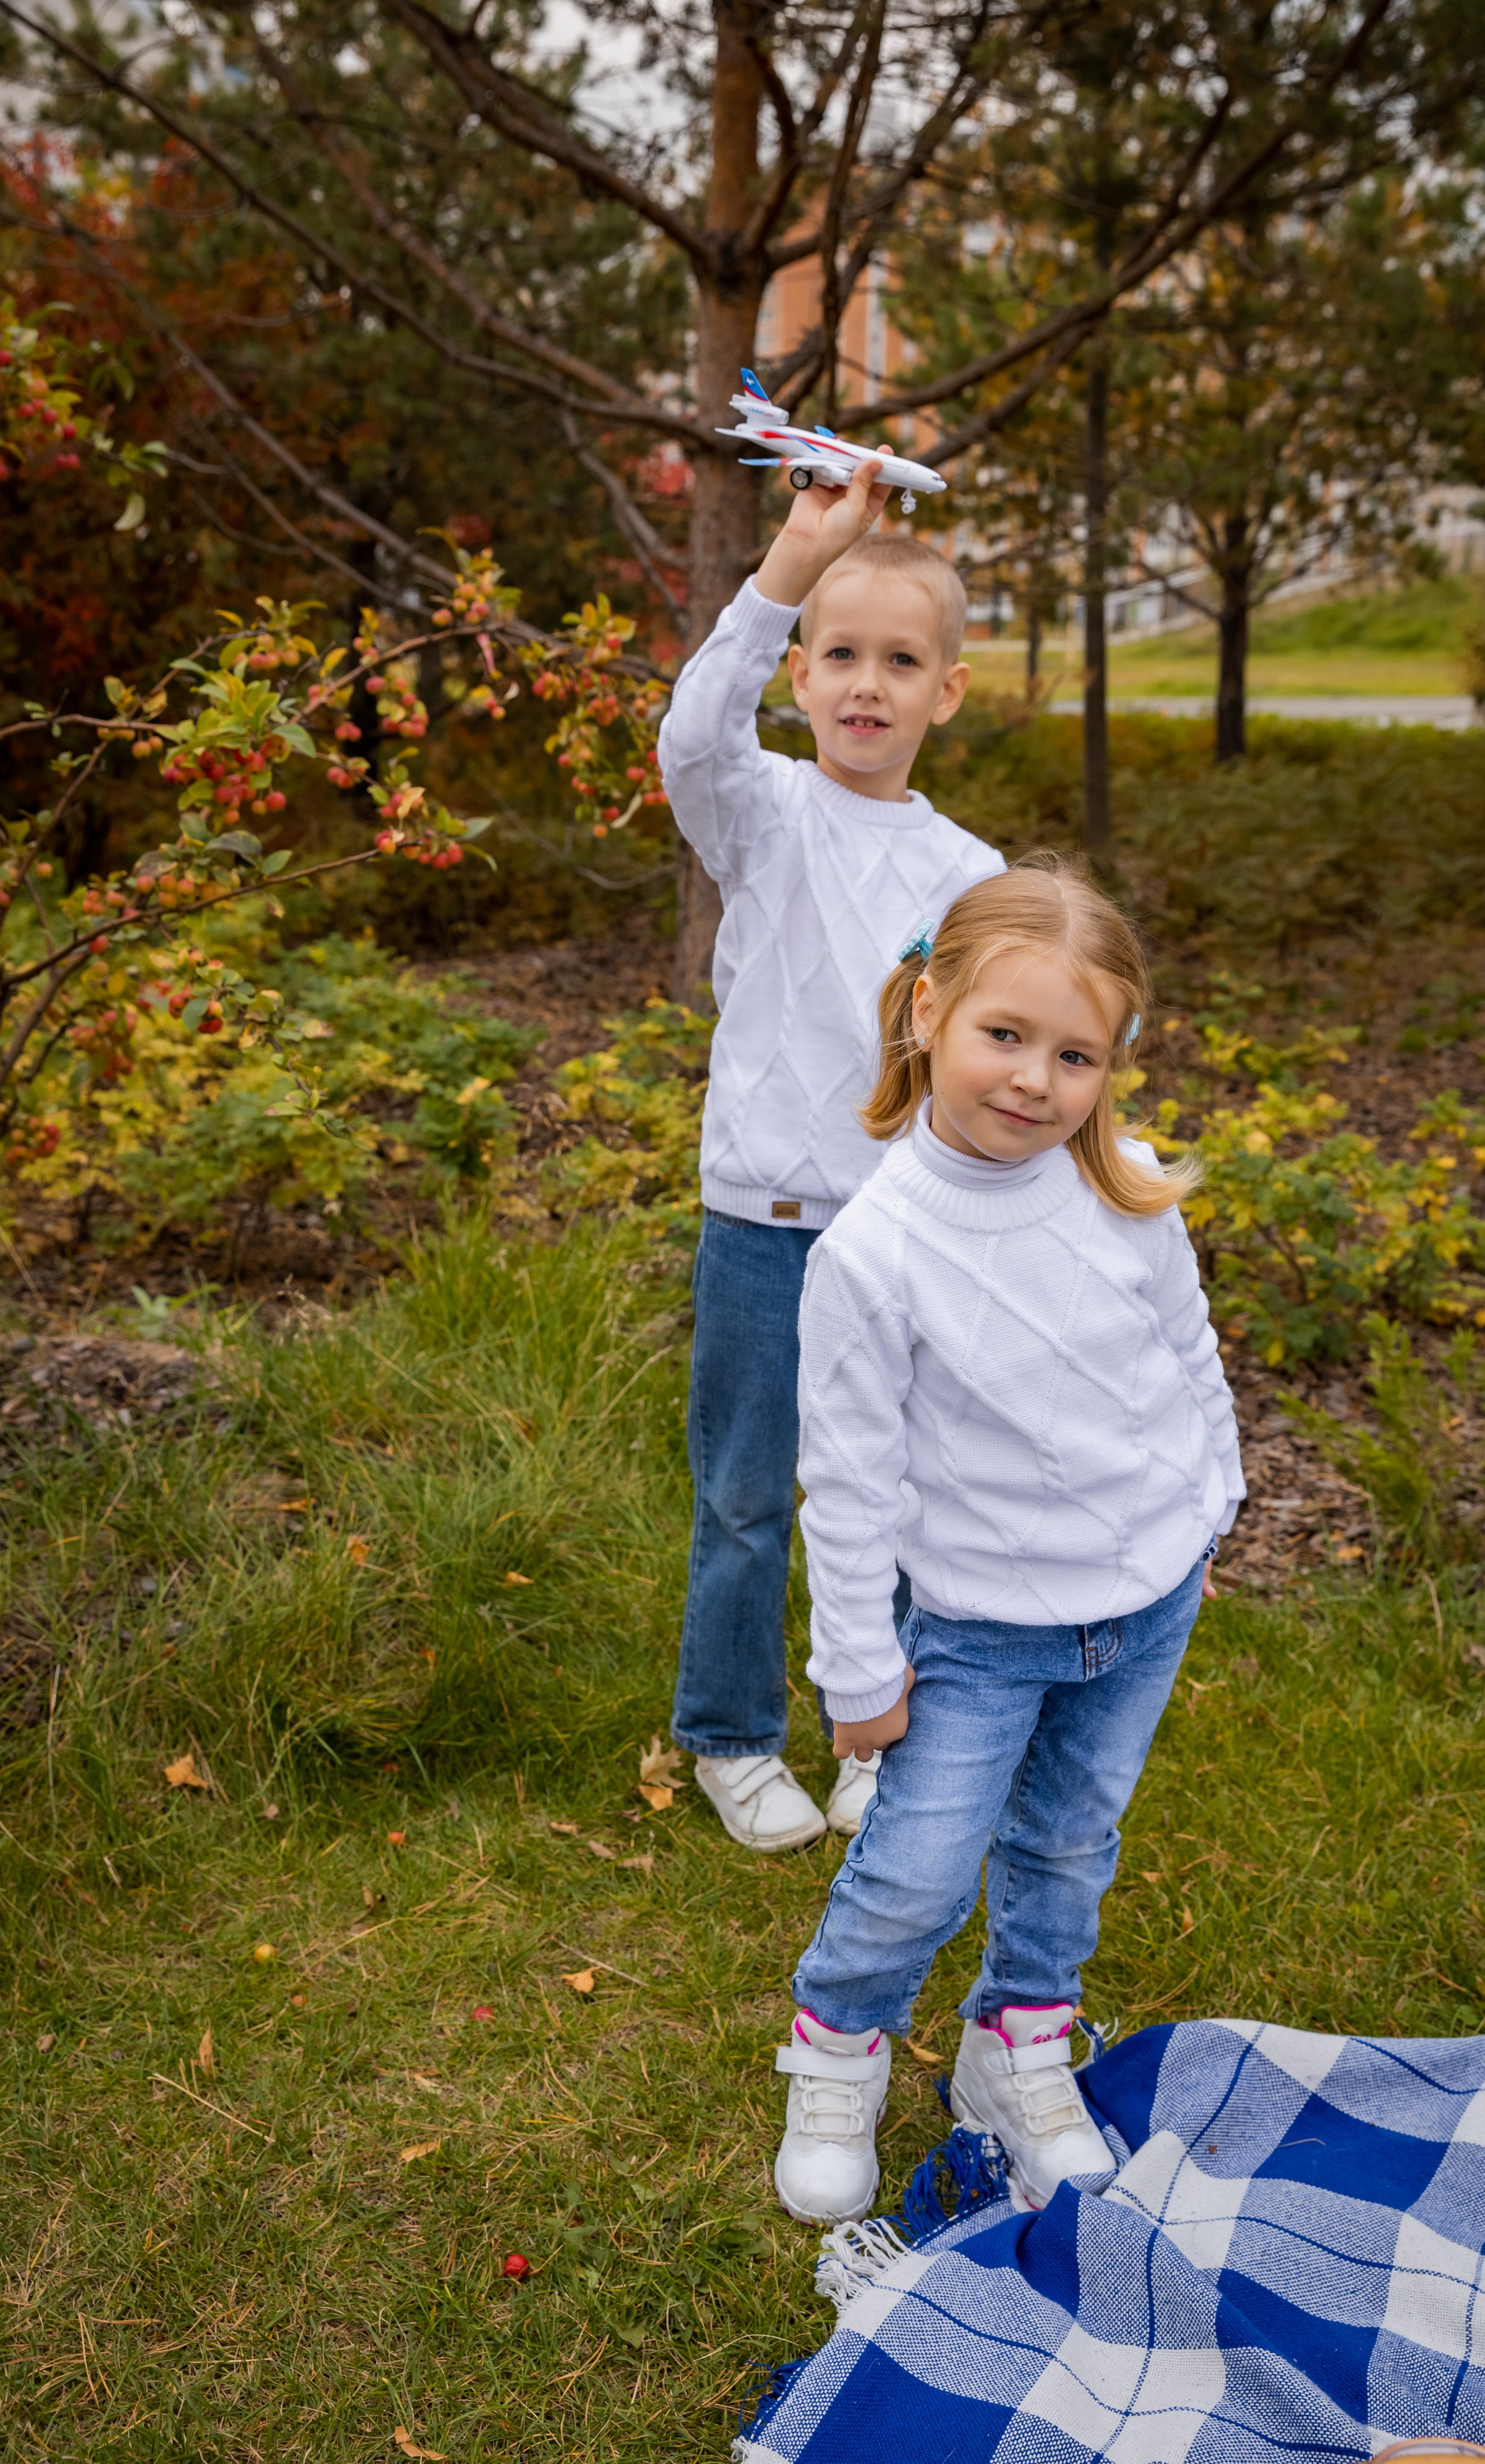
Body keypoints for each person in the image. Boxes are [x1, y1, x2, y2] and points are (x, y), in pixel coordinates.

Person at [772, 857, 1245, 2223]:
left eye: (1075, 1055)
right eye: (1004, 1035)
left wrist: (1207, 1502)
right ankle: (837, 2049)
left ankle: (1015, 2044)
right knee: (917, 1867)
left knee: (1068, 1843)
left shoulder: (1127, 1192)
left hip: (1141, 1607)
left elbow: (1186, 1357)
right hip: (979, 1630)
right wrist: (858, 1672)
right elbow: (847, 1486)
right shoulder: (873, 1255)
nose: (1035, 1081)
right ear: (928, 1011)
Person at [659, 459, 1003, 1855]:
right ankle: (730, 1737)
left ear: (945, 693)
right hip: (762, 1220)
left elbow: (996, 1048)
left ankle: (876, 1742)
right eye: (842, 656)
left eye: (901, 662)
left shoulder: (969, 873)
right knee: (747, 1496)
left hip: (903, 1231)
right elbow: (693, 732)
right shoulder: (764, 811)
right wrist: (789, 566)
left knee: (898, 1500)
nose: (868, 684)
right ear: (800, 676)